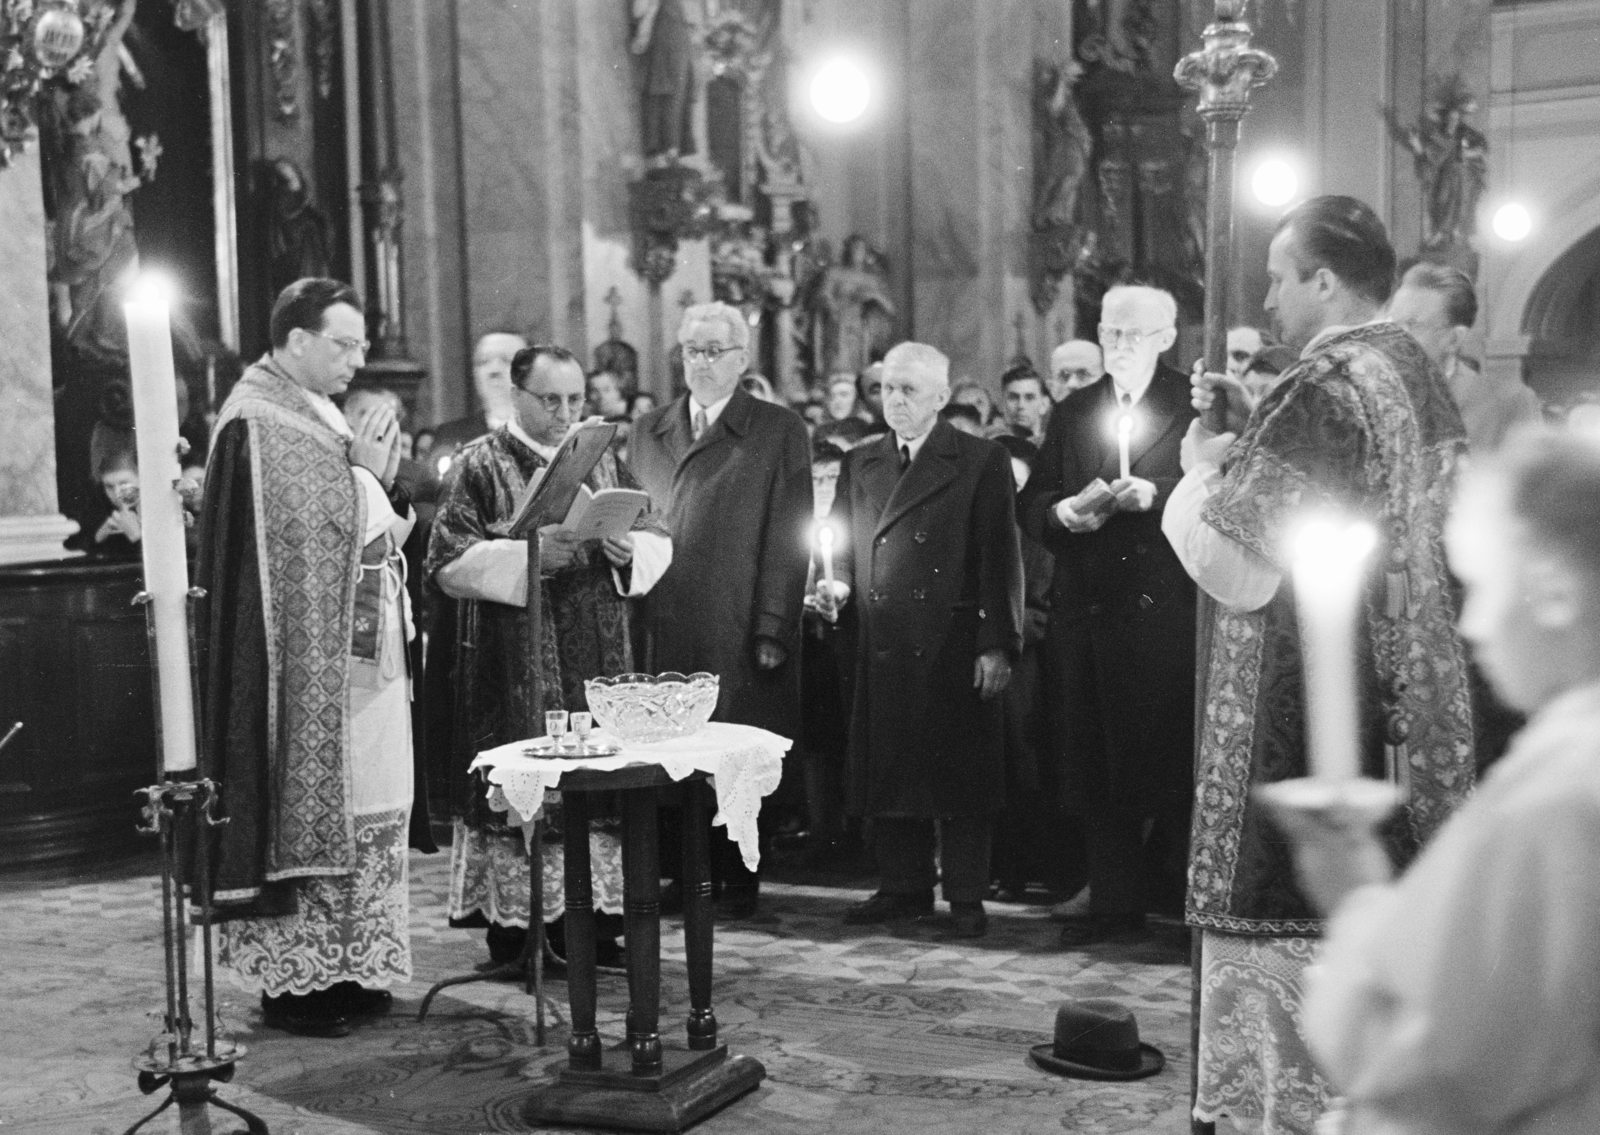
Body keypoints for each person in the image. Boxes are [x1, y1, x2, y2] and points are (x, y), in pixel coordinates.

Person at [1161, 196, 1479, 1134]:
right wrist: (1261, 420)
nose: (1267, 293)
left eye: (1278, 274)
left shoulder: (1326, 384)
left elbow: (1240, 567)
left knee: (1292, 923)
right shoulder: (1410, 371)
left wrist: (1196, 469)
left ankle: (1280, 1107)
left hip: (1307, 704)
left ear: (1326, 281)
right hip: (1409, 704)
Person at [1280, 429, 1600, 1135]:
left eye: (1486, 584)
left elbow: (1428, 1066)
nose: (1474, 624)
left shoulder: (1557, 797)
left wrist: (1356, 899)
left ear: (1554, 586)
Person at [196, 278, 430, 1038]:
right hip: (305, 666)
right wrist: (368, 476)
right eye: (344, 343)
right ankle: (298, 982)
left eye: (363, 343)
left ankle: (352, 963)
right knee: (325, 796)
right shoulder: (261, 420)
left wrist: (375, 485)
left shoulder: (315, 415)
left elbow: (366, 523)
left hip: (362, 652)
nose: (358, 360)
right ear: (296, 340)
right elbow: (333, 522)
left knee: (372, 797)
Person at [427, 344, 672, 967]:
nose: (566, 412)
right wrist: (527, 554)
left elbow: (655, 529)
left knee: (599, 782)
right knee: (530, 782)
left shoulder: (601, 456)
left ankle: (597, 927)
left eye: (574, 399)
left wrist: (629, 549)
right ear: (517, 396)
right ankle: (519, 929)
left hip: (599, 651)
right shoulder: (480, 465)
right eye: (551, 400)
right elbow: (447, 563)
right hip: (516, 661)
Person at [817, 341, 1025, 940]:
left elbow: (1000, 557)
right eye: (887, 388)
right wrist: (832, 585)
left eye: (910, 390)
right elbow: (840, 541)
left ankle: (965, 894)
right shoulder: (862, 461)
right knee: (890, 763)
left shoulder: (979, 460)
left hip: (951, 639)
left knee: (957, 775)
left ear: (940, 395)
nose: (896, 400)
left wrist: (998, 642)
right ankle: (903, 885)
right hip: (880, 634)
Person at [1021, 284, 1198, 946]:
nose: (1118, 345)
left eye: (1132, 334)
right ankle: (1113, 899)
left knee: (1164, 756)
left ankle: (1178, 898)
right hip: (1089, 606)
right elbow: (1035, 497)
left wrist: (1158, 494)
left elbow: (1219, 490)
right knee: (1096, 761)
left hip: (1160, 609)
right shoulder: (1074, 410)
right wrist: (1063, 514)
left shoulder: (1186, 402)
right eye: (1109, 332)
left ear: (1165, 338)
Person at [630, 301, 813, 917]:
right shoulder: (649, 428)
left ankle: (733, 879)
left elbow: (791, 534)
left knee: (729, 748)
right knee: (671, 748)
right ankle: (682, 875)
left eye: (714, 351)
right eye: (691, 350)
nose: (701, 363)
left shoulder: (775, 429)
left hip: (735, 614)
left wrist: (773, 625)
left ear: (741, 359)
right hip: (664, 610)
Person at [1388, 261, 1542, 452]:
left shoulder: (1507, 403)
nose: (1393, 337)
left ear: (1454, 338)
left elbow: (1530, 479)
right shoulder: (1366, 399)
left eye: (1412, 324)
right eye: (1392, 324)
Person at [424, 331, 529, 473]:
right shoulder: (450, 437)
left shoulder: (553, 434)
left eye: (506, 360)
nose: (493, 370)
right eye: (484, 361)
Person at [1001, 364, 1052, 447]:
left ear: (1044, 405)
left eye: (1029, 398)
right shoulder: (993, 448)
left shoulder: (1056, 448)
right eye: (1013, 397)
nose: (1021, 405)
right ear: (1003, 403)